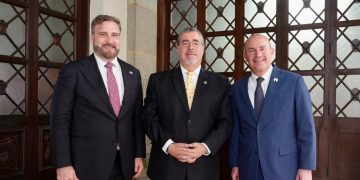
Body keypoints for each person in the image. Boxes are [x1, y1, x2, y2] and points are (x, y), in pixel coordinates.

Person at [50, 15, 145, 180]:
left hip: (124, 162)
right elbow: (60, 120)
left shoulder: (133, 74)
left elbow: (136, 118)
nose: (110, 40)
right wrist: (63, 164)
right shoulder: (73, 72)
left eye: (114, 35)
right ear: (92, 37)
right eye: (103, 34)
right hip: (86, 164)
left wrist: (139, 154)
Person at [142, 27, 232, 180]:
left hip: (203, 168)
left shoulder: (220, 83)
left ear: (203, 49)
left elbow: (226, 122)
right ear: (177, 48)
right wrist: (169, 145)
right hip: (166, 168)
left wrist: (204, 147)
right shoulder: (157, 80)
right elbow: (148, 118)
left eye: (196, 43)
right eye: (185, 42)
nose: (191, 48)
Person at [229, 33, 316, 180]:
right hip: (248, 166)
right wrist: (235, 163)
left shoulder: (294, 82)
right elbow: (236, 129)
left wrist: (306, 167)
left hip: (285, 166)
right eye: (251, 50)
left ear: (272, 51)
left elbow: (306, 127)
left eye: (262, 49)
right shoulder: (237, 89)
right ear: (245, 55)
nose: (258, 55)